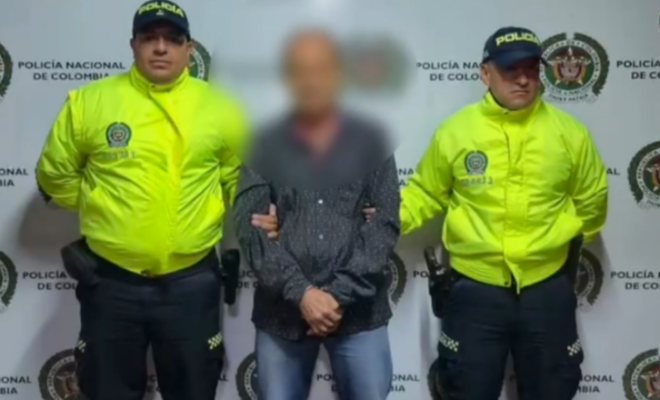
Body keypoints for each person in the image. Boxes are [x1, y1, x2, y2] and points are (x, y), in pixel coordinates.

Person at [252, 27, 609, 400]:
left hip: (547, 289)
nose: (522, 79)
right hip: (475, 289)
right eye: (510, 69)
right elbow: (424, 194)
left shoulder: (571, 135)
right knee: (466, 391)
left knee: (553, 390)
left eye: (531, 68)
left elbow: (593, 202)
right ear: (486, 74)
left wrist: (552, 245)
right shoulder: (457, 132)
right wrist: (381, 219)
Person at [35, 1, 247, 399]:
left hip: (191, 284)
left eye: (172, 39)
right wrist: (104, 205)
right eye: (150, 38)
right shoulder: (90, 102)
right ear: (133, 45)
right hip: (110, 284)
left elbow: (240, 181)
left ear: (189, 49)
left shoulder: (222, 108)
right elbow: (54, 175)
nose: (160, 48)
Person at [232, 29, 401, 400]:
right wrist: (303, 293)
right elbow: (250, 228)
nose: (312, 81)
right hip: (282, 315)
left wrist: (336, 296)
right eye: (301, 71)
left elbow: (385, 223)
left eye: (322, 69)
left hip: (359, 315)